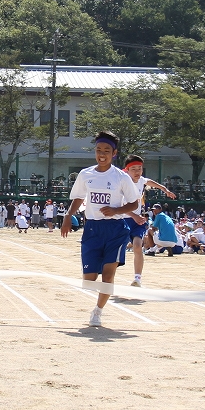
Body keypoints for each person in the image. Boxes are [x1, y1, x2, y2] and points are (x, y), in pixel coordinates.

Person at [62, 131, 141, 327]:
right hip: (92, 229)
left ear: (114, 153)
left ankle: (98, 311)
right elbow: (79, 197)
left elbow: (134, 203)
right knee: (88, 281)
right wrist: (68, 216)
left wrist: (116, 210)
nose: (102, 154)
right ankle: (100, 291)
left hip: (115, 230)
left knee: (108, 274)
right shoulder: (85, 174)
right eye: (99, 150)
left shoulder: (121, 177)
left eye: (107, 150)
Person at [122, 155, 176, 287]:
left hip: (136, 221)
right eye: (133, 169)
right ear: (127, 170)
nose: (137, 172)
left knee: (137, 246)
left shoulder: (141, 180)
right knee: (114, 249)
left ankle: (137, 279)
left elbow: (149, 181)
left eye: (139, 169)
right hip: (121, 220)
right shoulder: (122, 183)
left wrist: (165, 189)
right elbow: (120, 207)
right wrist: (134, 216)